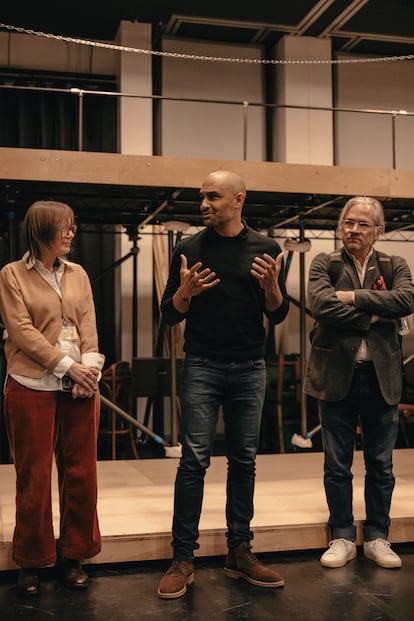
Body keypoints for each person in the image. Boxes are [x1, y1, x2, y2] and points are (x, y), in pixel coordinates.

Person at [158, 170, 289, 599]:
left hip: (250, 366)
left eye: (213, 196)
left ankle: (239, 551)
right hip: (202, 365)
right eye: (202, 197)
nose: (204, 204)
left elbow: (278, 313)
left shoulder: (266, 249)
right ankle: (183, 558)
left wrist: (272, 289)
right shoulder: (188, 248)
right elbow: (170, 313)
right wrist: (185, 293)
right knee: (194, 460)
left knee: (244, 460)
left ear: (238, 200)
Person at [0, 200, 105, 595]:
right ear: (42, 230)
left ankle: (74, 555)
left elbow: (89, 325)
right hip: (31, 386)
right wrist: (67, 367)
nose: (71, 234)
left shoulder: (78, 274)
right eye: (63, 227)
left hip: (81, 387)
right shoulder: (11, 275)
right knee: (35, 476)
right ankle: (32, 560)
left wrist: (88, 371)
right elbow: (22, 331)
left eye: (73, 227)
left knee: (82, 473)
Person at [304, 196, 414, 570]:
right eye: (348, 223)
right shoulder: (325, 263)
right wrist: (375, 314)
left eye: (363, 224)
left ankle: (378, 536)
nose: (353, 229)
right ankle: (342, 536)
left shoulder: (394, 263)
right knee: (337, 464)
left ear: (378, 231)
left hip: (381, 377)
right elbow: (320, 305)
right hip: (336, 376)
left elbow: (405, 299)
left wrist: (352, 297)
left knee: (381, 463)